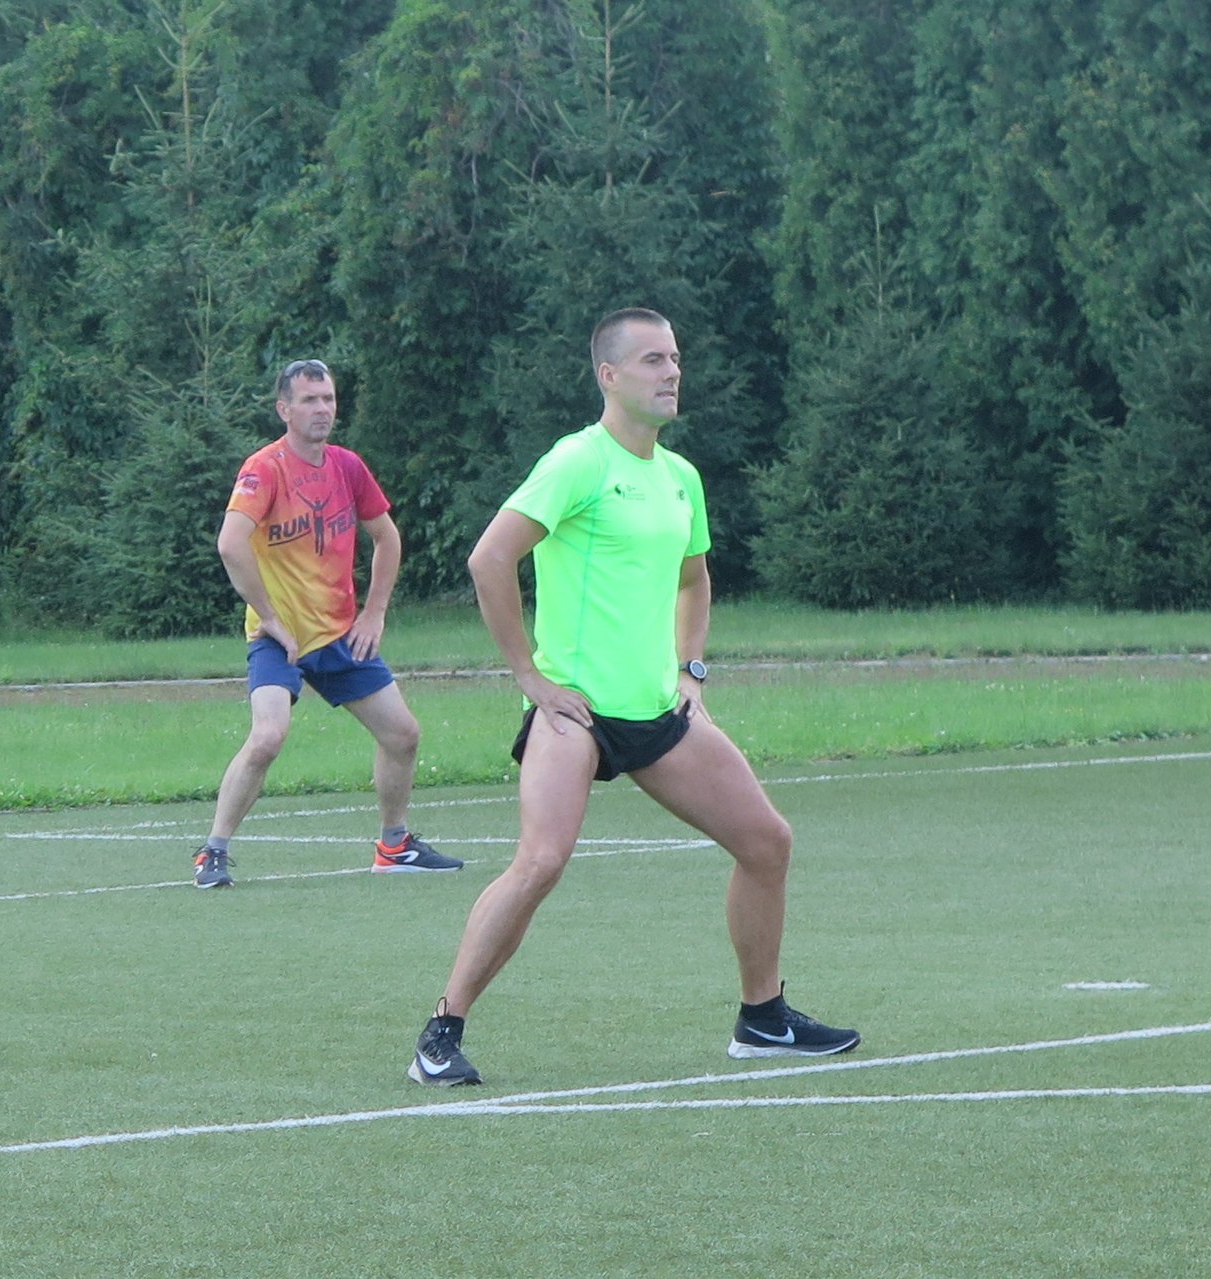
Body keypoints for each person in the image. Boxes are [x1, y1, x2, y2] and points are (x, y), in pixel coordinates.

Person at [407, 309, 857, 1084]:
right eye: (653, 359)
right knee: (540, 862)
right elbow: (490, 559)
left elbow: (695, 578)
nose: (671, 371)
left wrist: (691, 672)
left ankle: (762, 1018)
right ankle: (441, 1032)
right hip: (575, 714)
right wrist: (531, 677)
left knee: (767, 842)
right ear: (608, 375)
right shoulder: (577, 461)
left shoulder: (681, 477)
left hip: (659, 712)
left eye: (675, 358)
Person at [192, 359, 463, 888]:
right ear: (284, 409)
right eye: (309, 400)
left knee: (403, 734)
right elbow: (230, 544)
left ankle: (394, 846)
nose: (322, 409)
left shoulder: (347, 466)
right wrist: (271, 618)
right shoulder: (264, 468)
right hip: (280, 639)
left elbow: (387, 537)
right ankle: (213, 852)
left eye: (329, 399)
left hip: (338, 634)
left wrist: (374, 613)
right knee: (268, 737)